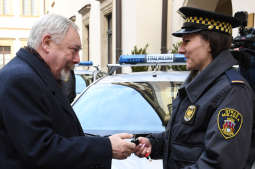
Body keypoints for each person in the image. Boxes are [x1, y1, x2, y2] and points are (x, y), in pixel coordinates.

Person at [0, 14, 135, 169]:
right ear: (47, 43)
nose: (78, 59)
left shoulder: (37, 75)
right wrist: (106, 147)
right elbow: (41, 150)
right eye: (74, 50)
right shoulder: (21, 80)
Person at [135, 7, 254, 169]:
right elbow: (186, 139)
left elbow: (221, 163)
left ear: (210, 44)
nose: (181, 49)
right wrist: (154, 143)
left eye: (187, 41)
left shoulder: (233, 92)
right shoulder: (197, 83)